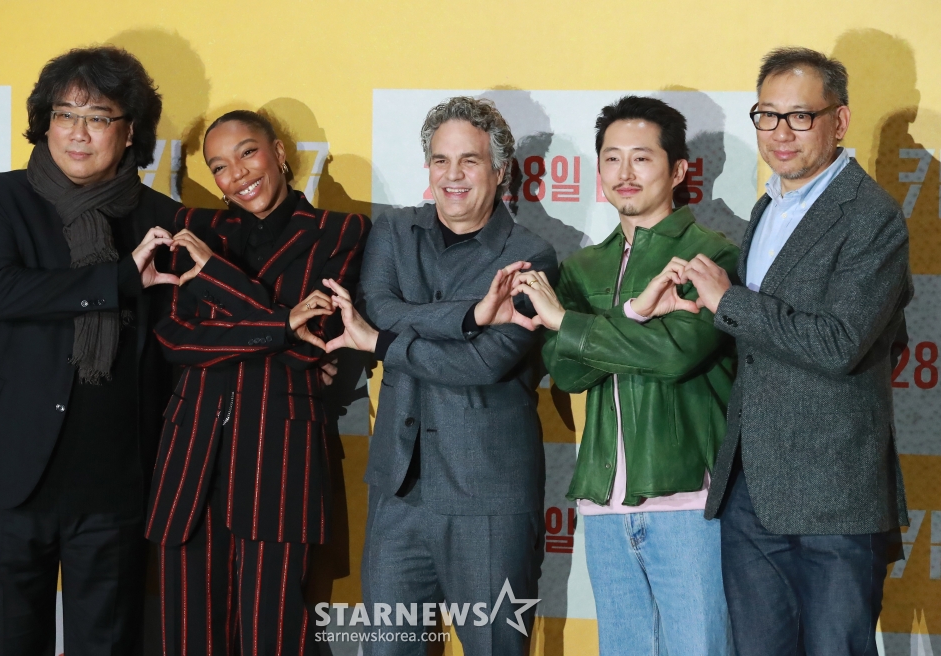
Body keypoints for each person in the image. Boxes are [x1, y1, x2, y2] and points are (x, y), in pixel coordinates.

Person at [653, 47, 912, 655]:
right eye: (767, 116)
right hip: (751, 488)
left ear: (839, 121)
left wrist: (731, 301)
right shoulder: (769, 205)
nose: (780, 133)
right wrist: (707, 311)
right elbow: (764, 334)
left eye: (800, 116)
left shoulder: (871, 216)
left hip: (834, 494)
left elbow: (839, 342)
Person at [0, 46, 182, 656]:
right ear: (45, 122)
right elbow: (2, 291)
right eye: (65, 113)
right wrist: (119, 279)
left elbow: (179, 343)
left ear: (129, 132)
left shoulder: (163, 219)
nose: (78, 132)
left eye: (98, 117)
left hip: (115, 482)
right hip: (9, 474)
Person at [324, 96, 557, 655]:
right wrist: (472, 316)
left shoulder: (530, 255)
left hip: (489, 499)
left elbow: (483, 363)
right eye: (440, 160)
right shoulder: (394, 231)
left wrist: (382, 343)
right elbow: (378, 306)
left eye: (469, 161)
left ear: (500, 172)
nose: (453, 175)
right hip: (398, 493)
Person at [505, 95, 737, 655]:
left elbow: (675, 353)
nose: (624, 172)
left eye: (642, 157)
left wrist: (568, 322)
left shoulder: (712, 256)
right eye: (611, 158)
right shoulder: (583, 267)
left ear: (678, 171)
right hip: (603, 506)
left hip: (690, 502)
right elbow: (567, 371)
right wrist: (631, 315)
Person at [144, 110, 369, 656]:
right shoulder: (194, 229)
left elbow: (314, 343)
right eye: (219, 166)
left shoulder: (340, 232)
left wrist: (216, 279)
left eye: (248, 152)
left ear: (280, 152)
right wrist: (281, 323)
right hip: (190, 462)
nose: (237, 173)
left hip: (280, 460)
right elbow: (176, 339)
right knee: (188, 640)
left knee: (275, 637)